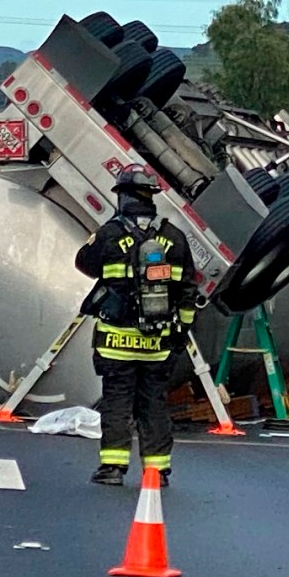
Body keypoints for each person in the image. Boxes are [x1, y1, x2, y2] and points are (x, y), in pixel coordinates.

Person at [76, 166, 197, 486]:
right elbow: (187, 292)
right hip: (157, 343)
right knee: (153, 402)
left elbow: (83, 263)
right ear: (152, 198)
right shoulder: (174, 236)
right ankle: (157, 470)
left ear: (123, 196)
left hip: (116, 340)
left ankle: (113, 468)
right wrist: (181, 332)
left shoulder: (110, 234)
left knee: (117, 400)